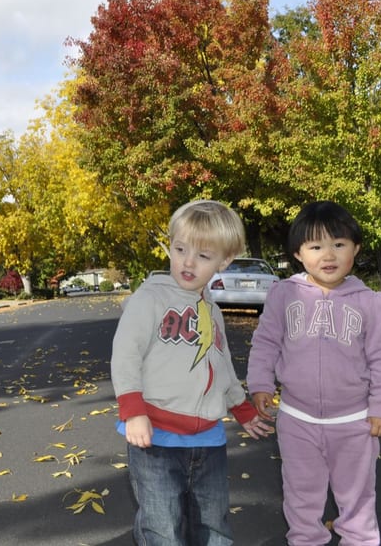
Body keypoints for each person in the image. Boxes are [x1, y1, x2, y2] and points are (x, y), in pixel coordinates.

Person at [111, 199, 273, 546]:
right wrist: (133, 411)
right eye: (180, 248)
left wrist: (241, 408)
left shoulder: (211, 311)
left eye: (202, 256)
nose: (187, 261)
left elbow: (222, 364)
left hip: (208, 440)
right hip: (155, 436)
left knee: (214, 525)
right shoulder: (149, 299)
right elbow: (125, 355)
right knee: (161, 526)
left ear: (223, 261)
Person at [247, 201, 381, 546]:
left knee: (357, 498)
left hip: (355, 423)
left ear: (355, 249)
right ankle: (305, 540)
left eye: (339, 245)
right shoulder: (284, 295)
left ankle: (360, 540)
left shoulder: (370, 302)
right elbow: (266, 343)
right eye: (316, 247)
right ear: (299, 254)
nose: (328, 255)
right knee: (301, 495)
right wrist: (259, 384)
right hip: (297, 419)